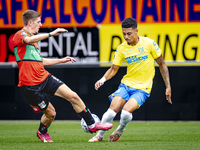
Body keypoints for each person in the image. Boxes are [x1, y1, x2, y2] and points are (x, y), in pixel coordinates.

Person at [13, 10, 113, 143]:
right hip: (30, 85)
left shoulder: (33, 44)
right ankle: (42, 132)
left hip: (44, 77)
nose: (41, 24)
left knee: (73, 96)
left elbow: (41, 61)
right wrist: (51, 34)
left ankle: (92, 124)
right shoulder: (20, 35)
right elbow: (28, 39)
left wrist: (61, 60)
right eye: (38, 22)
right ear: (30, 23)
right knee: (51, 114)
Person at [89, 18, 172, 142]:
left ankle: (120, 130)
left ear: (136, 31)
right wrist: (103, 79)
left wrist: (168, 86)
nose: (126, 37)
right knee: (111, 112)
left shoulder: (149, 44)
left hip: (142, 88)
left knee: (126, 113)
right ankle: (99, 136)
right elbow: (113, 68)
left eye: (129, 33)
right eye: (124, 34)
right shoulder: (122, 48)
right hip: (126, 85)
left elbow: (162, 64)